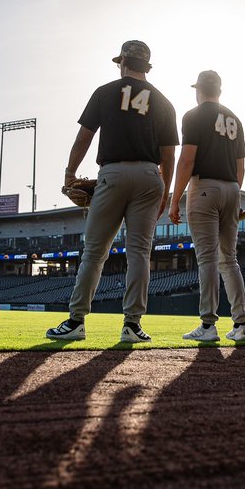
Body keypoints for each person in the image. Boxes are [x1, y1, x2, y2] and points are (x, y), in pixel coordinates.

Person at [46, 39, 178, 343]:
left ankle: (77, 321)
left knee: (94, 251)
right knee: (140, 254)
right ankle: (132, 324)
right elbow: (168, 156)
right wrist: (165, 193)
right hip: (149, 176)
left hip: (113, 172)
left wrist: (69, 173)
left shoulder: (105, 91)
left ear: (123, 63)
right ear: (147, 66)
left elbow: (84, 137)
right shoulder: (164, 101)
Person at [168, 70, 245, 343]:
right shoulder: (234, 118)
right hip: (232, 187)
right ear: (220, 90)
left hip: (204, 187)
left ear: (198, 90)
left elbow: (187, 161)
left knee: (207, 259)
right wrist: (233, 196)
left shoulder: (194, 115)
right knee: (230, 260)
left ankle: (207, 324)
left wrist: (174, 198)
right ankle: (240, 325)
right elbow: (241, 167)